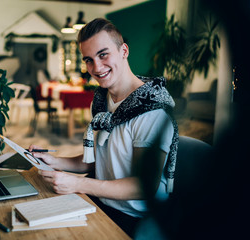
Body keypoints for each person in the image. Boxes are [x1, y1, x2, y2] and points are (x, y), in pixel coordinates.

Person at [29, 18, 178, 237]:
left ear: (124, 50)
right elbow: (101, 158)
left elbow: (142, 186)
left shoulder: (152, 111)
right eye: (88, 60)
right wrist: (55, 161)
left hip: (136, 218)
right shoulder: (101, 100)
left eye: (103, 54)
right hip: (101, 203)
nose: (96, 68)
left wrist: (78, 184)